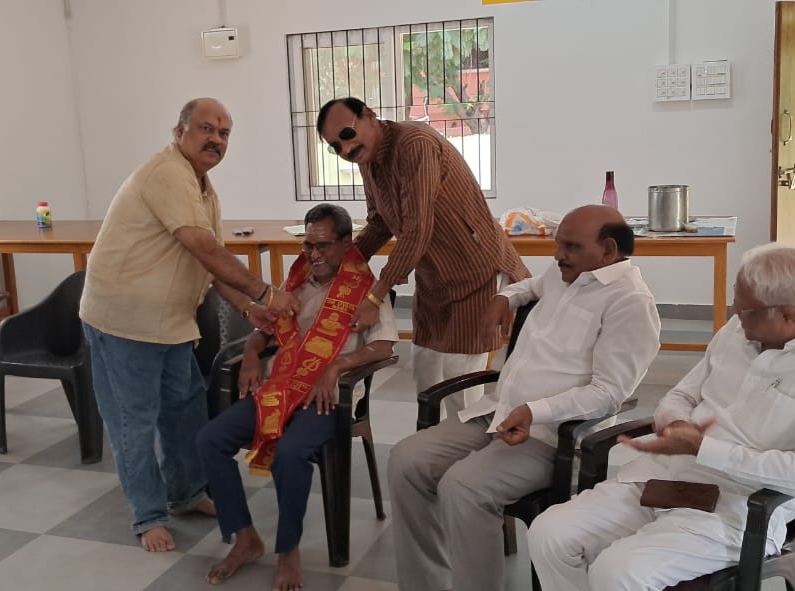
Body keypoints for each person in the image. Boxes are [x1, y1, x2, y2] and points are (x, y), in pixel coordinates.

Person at [527, 243, 795, 591]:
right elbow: (681, 395)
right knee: (549, 535)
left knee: (618, 572)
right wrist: (679, 425)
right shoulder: (740, 331)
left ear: (788, 315)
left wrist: (706, 449)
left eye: (744, 310)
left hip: (738, 505)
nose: (734, 315)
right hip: (666, 479)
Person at [387, 205, 662, 591]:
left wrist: (536, 410)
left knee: (462, 486)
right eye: (557, 244)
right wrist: (505, 297)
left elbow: (609, 394)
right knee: (406, 459)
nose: (557, 255)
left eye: (570, 246)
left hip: (552, 437)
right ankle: (424, 583)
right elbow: (529, 286)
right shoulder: (567, 273)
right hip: (498, 414)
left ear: (608, 251)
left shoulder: (630, 303)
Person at [79, 97, 300, 553]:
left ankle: (187, 494)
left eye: (224, 133)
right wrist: (265, 293)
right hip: (125, 323)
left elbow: (212, 261)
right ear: (179, 132)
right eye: (206, 129)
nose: (216, 139)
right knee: (134, 423)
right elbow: (202, 247)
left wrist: (247, 310)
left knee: (183, 413)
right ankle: (148, 515)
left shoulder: (201, 187)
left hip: (171, 324)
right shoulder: (168, 174)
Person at [196, 204, 399, 591]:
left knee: (290, 454)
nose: (314, 255)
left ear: (345, 243)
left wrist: (337, 367)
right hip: (280, 389)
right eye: (308, 246)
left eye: (322, 246)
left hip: (327, 399)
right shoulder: (297, 282)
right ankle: (245, 538)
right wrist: (253, 354)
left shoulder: (366, 292)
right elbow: (267, 330)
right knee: (209, 439)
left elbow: (385, 347)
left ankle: (288, 550)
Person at [317, 97, 529, 412]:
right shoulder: (368, 160)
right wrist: (340, 261)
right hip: (434, 279)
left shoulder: (415, 144)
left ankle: (465, 455)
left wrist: (375, 297)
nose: (345, 150)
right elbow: (379, 224)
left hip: (475, 271)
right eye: (336, 147)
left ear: (370, 115)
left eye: (346, 135)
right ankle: (427, 453)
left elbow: (417, 228)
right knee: (426, 374)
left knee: (459, 382)